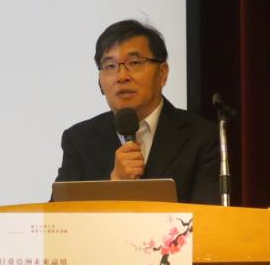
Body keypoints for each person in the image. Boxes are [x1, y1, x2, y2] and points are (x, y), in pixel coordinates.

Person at [56, 19, 220, 205]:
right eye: (110, 66)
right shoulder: (79, 140)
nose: (121, 77)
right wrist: (114, 186)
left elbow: (208, 216)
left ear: (162, 73)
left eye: (134, 63)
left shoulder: (203, 137)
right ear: (100, 82)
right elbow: (58, 216)